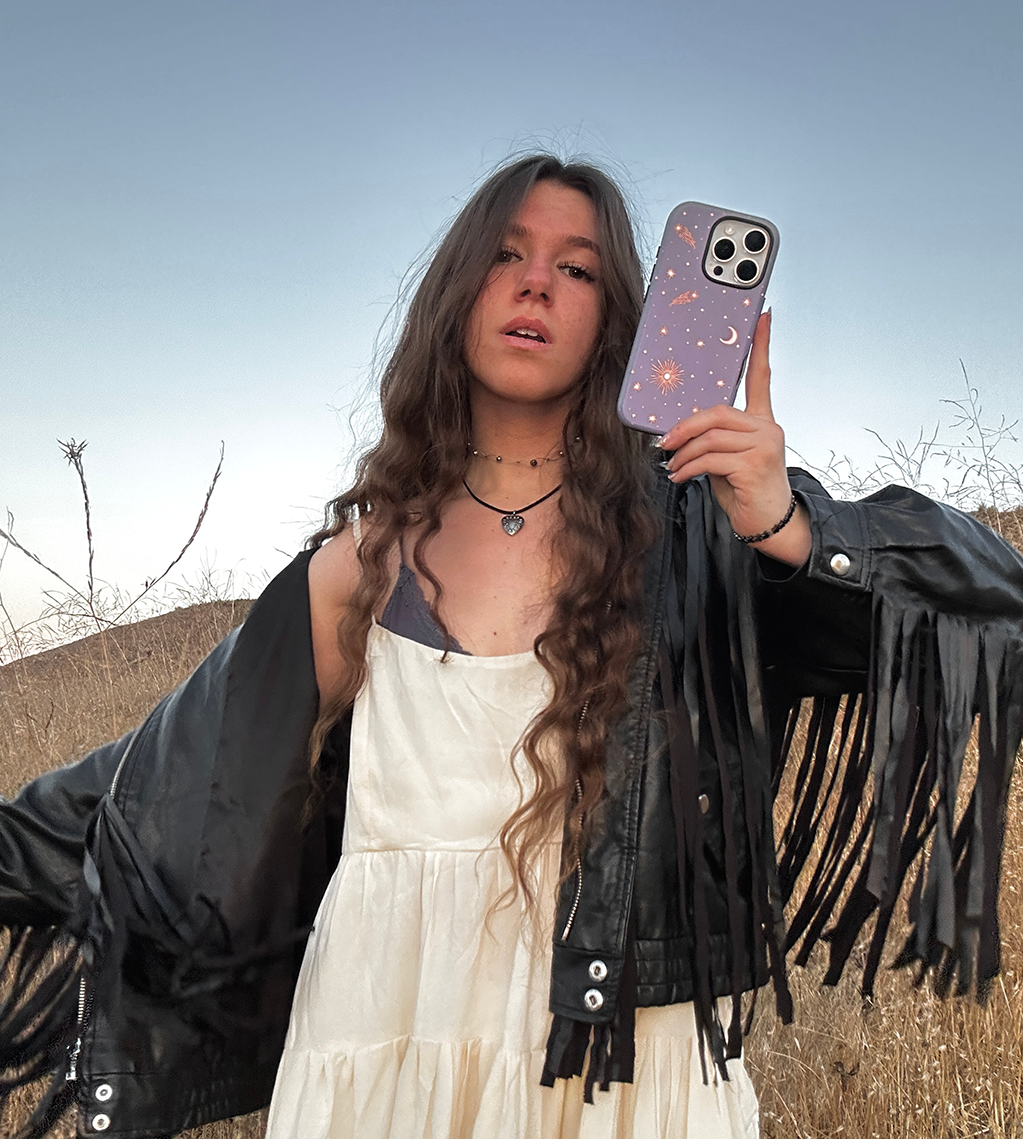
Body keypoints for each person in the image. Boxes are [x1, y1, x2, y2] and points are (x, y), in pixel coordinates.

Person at [2, 154, 1022, 1139]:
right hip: (379, 1048)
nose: (536, 280)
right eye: (506, 253)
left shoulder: (696, 538)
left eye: (576, 267)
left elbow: (979, 609)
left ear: (616, 318)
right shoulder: (361, 562)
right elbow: (156, 786)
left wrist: (789, 525)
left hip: (617, 1049)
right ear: (457, 292)